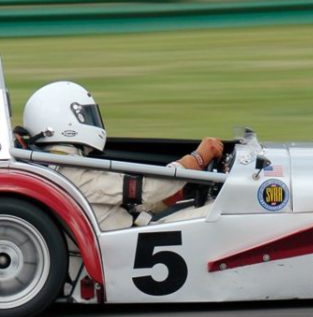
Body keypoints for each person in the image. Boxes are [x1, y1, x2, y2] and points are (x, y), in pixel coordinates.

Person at [22, 81, 223, 230]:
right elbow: (146, 188)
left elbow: (121, 201)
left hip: (132, 232)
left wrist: (170, 198)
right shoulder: (69, 172)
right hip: (131, 241)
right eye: (87, 115)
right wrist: (197, 159)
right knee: (226, 214)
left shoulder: (56, 168)